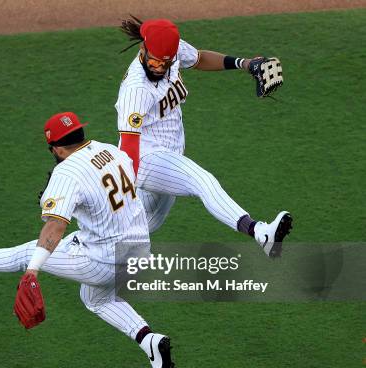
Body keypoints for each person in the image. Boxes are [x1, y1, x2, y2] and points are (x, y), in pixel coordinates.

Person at [0, 112, 175, 368]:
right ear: (81, 133)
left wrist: (34, 269)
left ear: (56, 148)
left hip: (103, 261)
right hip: (139, 252)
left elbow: (54, 228)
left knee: (29, 254)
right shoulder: (110, 150)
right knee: (95, 299)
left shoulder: (66, 173)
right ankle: (148, 340)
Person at [116, 17, 292, 257]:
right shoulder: (136, 90)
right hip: (145, 158)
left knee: (137, 229)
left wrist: (245, 63)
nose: (158, 68)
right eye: (154, 61)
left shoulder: (171, 51)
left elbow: (198, 59)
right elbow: (128, 147)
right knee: (202, 181)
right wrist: (123, 191)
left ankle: (78, 249)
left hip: (169, 156)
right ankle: (260, 232)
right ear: (143, 48)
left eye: (165, 64)